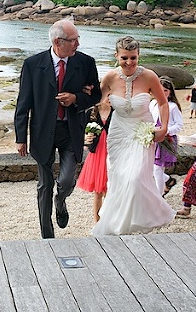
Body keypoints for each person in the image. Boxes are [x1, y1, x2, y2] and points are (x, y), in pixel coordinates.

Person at [14, 19, 101, 239]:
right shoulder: (33, 64)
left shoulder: (86, 63)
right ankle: (47, 236)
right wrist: (20, 137)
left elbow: (96, 95)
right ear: (57, 42)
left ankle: (60, 201)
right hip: (42, 131)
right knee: (45, 185)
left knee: (66, 180)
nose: (77, 44)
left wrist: (76, 98)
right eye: (73, 40)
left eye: (78, 39)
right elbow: (23, 103)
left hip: (71, 131)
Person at [91, 36, 175, 236]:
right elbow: (95, 101)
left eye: (133, 58)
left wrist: (163, 128)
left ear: (139, 56)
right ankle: (118, 223)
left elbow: (163, 103)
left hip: (141, 131)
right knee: (119, 177)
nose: (129, 63)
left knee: (136, 177)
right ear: (116, 56)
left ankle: (148, 215)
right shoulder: (110, 77)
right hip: (119, 132)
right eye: (124, 58)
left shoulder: (149, 76)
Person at [76, 96, 113, 223]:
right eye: (107, 95)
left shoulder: (116, 112)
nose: (110, 98)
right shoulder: (90, 113)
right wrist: (86, 139)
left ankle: (110, 219)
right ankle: (97, 220)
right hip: (97, 154)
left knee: (111, 189)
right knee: (98, 191)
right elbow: (80, 132)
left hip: (112, 153)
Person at [149, 76, 183, 196]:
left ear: (170, 92)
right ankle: (168, 180)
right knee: (150, 167)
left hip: (166, 139)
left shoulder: (173, 107)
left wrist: (166, 130)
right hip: (152, 138)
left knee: (158, 168)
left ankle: (159, 196)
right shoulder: (152, 103)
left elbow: (179, 125)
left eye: (166, 91)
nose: (162, 93)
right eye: (160, 90)